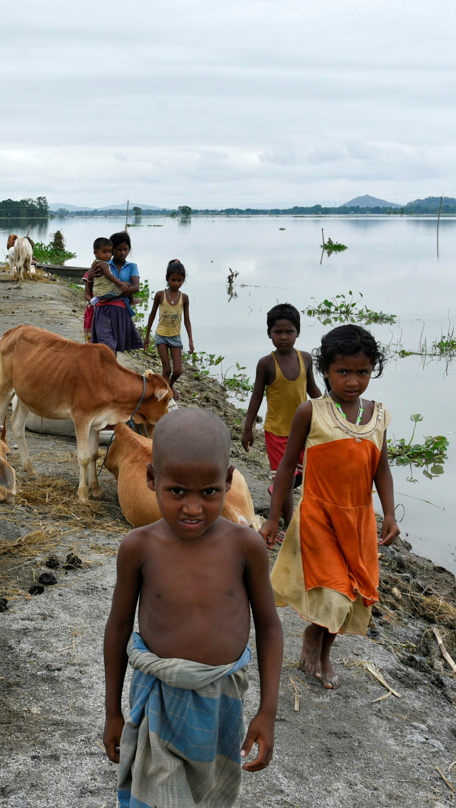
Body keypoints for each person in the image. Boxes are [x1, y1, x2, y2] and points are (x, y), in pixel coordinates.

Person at [104, 408, 283, 808]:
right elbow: (117, 629)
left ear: (228, 480)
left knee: (207, 795)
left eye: (209, 492)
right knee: (157, 797)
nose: (193, 508)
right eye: (177, 491)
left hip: (222, 702)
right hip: (159, 701)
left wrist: (267, 710)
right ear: (152, 480)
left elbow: (269, 627)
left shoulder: (245, 546)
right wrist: (112, 711)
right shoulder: (139, 547)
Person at [261, 325, 397, 690]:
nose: (353, 381)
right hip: (319, 515)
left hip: (359, 519)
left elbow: (381, 469)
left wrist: (391, 515)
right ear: (324, 371)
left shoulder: (379, 416)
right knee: (335, 593)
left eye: (362, 372)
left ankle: (322, 647)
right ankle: (313, 641)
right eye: (343, 372)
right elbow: (287, 467)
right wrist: (274, 518)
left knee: (354, 592)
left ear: (373, 370)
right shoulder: (312, 412)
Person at [241, 304, 322, 536]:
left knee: (302, 474)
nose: (284, 337)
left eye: (289, 331)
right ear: (269, 334)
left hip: (304, 431)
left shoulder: (305, 359)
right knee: (285, 482)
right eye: (278, 332)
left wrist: (332, 407)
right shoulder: (266, 363)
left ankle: (276, 489)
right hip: (276, 432)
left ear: (298, 332)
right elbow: (257, 396)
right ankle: (288, 527)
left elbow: (312, 388)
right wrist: (248, 429)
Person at [142, 260, 194, 396]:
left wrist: (191, 340)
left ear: (183, 280)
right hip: (161, 336)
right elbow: (152, 315)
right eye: (173, 280)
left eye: (179, 280)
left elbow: (187, 320)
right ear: (167, 279)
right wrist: (147, 336)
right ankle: (165, 395)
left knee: (178, 370)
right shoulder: (160, 295)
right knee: (167, 368)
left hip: (175, 336)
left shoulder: (184, 298)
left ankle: (169, 386)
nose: (176, 283)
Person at [88, 231, 144, 353]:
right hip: (104, 310)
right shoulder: (102, 264)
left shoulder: (132, 267)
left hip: (121, 311)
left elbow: (136, 287)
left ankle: (110, 371)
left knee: (115, 346)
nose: (122, 253)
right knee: (107, 346)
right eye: (118, 249)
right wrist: (89, 277)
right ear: (112, 249)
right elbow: (90, 286)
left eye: (126, 249)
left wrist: (110, 298)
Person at [82, 237, 117, 341]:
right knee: (93, 338)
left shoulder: (111, 268)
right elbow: (87, 293)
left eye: (110, 252)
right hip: (95, 307)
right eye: (104, 252)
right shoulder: (94, 269)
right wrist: (94, 302)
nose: (108, 255)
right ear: (95, 252)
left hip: (107, 308)